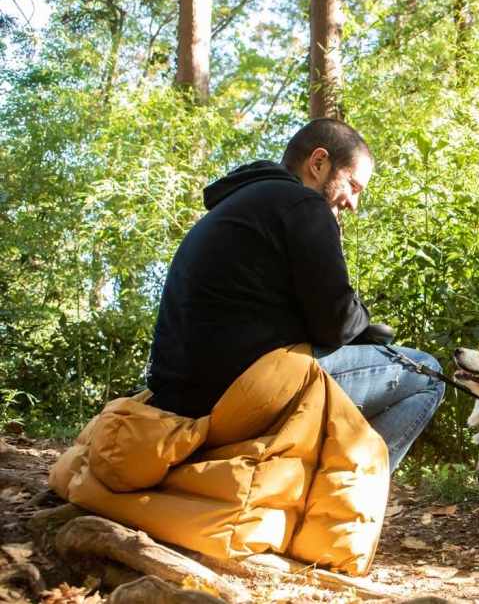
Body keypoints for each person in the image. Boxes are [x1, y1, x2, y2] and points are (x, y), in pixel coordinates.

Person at [146, 118, 444, 473]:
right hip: (235, 396)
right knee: (428, 372)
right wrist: (363, 320)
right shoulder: (302, 205)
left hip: (183, 396)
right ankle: (349, 498)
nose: (353, 204)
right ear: (318, 163)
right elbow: (335, 323)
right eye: (353, 185)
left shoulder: (242, 203)